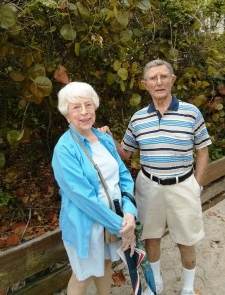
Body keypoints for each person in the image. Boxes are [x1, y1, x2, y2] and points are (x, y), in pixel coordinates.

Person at [99, 59, 212, 295]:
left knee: (186, 239)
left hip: (183, 184)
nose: (158, 82)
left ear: (172, 80)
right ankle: (156, 282)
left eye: (163, 76)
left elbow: (202, 150)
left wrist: (197, 184)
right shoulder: (138, 118)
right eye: (153, 78)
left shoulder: (191, 113)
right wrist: (109, 139)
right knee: (151, 238)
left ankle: (188, 289)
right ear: (145, 84)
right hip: (149, 185)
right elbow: (126, 154)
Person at [52, 82, 137, 295]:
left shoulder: (104, 138)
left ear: (95, 107)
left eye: (88, 105)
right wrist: (121, 225)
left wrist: (129, 211)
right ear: (66, 114)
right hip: (87, 226)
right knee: (84, 275)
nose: (84, 112)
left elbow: (124, 176)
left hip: (114, 219)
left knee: (106, 264)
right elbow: (84, 198)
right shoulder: (64, 149)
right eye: (76, 107)